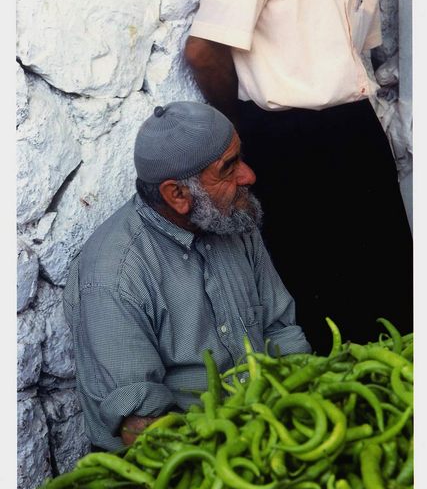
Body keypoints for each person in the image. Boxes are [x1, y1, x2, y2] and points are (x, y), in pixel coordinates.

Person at [184, 0, 413, 355]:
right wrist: (238, 130)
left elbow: (347, 50)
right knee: (330, 316)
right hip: (291, 140)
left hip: (356, 127)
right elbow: (203, 52)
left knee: (397, 297)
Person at [63, 101, 311, 451]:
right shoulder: (114, 276)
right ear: (177, 194)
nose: (249, 176)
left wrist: (306, 412)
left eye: (240, 157)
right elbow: (142, 429)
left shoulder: (232, 220)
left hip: (269, 431)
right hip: (191, 458)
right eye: (228, 169)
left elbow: (280, 332)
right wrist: (243, 455)